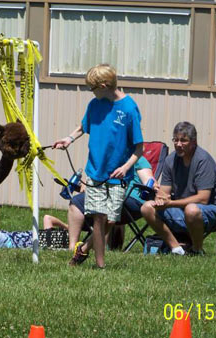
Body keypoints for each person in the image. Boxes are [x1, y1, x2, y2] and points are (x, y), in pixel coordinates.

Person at [53, 64, 143, 268]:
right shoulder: (95, 105)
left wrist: (126, 167)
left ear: (104, 85)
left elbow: (139, 148)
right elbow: (83, 126)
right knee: (99, 219)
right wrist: (69, 139)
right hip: (95, 172)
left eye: (92, 88)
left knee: (111, 220)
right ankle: (100, 266)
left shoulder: (129, 108)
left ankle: (83, 250)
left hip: (118, 176)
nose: (91, 92)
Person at [140, 121, 216, 256]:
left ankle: (197, 250)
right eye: (175, 140)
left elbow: (203, 199)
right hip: (182, 209)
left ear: (194, 142)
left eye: (183, 140)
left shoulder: (202, 160)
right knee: (147, 207)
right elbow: (164, 192)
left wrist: (170, 203)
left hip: (214, 210)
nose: (178, 144)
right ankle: (176, 249)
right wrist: (160, 199)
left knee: (192, 209)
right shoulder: (170, 160)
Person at [65, 156, 155, 262]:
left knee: (98, 206)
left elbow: (149, 180)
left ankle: (92, 250)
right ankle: (73, 247)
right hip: (111, 195)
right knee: (78, 201)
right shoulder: (112, 159)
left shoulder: (138, 159)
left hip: (132, 199)